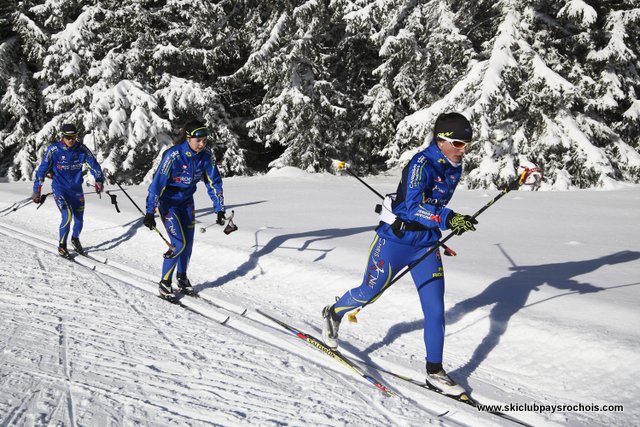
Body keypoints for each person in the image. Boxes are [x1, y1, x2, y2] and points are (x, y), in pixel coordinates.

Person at [321, 112, 478, 396]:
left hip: (427, 243)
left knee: (434, 309)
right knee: (369, 291)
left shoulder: (455, 166)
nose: (462, 149)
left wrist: (449, 221)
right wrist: (448, 218)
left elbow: (436, 207)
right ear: (441, 141)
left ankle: (435, 371)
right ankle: (333, 313)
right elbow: (411, 207)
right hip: (396, 240)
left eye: (466, 144)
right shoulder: (421, 164)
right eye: (457, 143)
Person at [144, 120, 226, 300]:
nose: (202, 144)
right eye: (198, 141)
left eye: (205, 140)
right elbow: (157, 186)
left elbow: (214, 183)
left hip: (187, 202)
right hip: (169, 203)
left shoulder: (206, 156)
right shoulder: (173, 156)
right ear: (188, 139)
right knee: (178, 244)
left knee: (187, 245)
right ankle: (165, 282)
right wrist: (150, 211)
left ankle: (182, 277)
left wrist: (219, 209)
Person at [32, 123, 104, 257]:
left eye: (74, 137)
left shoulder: (82, 149)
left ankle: (75, 239)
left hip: (76, 189)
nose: (71, 140)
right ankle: (62, 245)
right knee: (67, 215)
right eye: (68, 137)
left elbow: (94, 165)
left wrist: (99, 180)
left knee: (79, 219)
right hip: (60, 188)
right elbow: (42, 170)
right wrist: (37, 190)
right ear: (63, 137)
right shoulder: (54, 150)